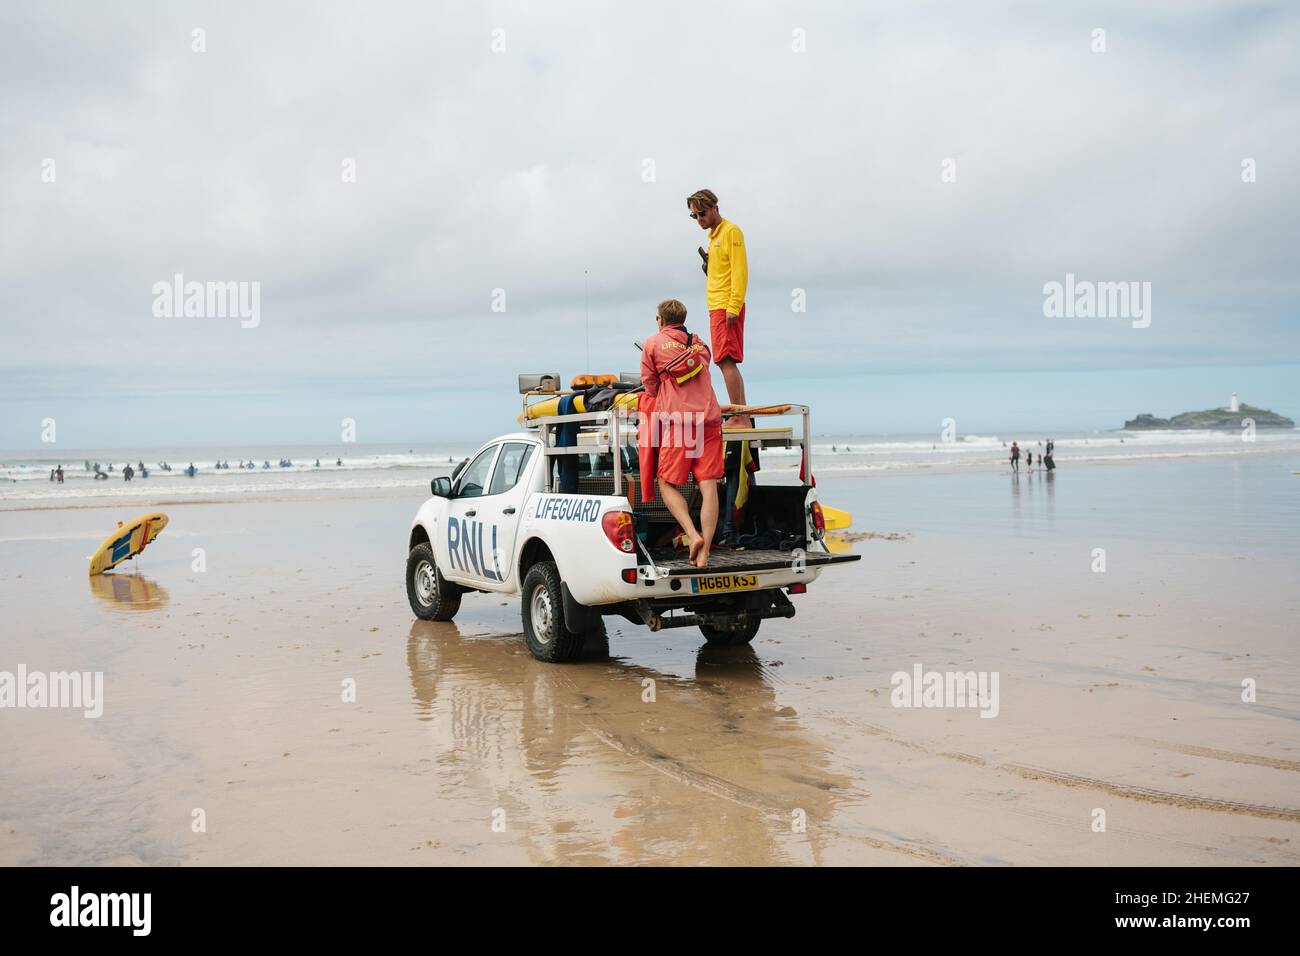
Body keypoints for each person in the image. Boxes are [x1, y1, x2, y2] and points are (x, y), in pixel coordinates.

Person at [640, 298, 724, 568]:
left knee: (666, 483)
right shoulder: (700, 344)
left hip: (680, 423)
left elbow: (649, 386)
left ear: (661, 320)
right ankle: (705, 554)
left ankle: (692, 534)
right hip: (709, 420)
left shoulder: (653, 343)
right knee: (708, 485)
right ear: (683, 319)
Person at [687, 189, 749, 428]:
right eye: (694, 216)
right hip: (717, 305)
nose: (699, 219)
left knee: (726, 360)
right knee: (725, 360)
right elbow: (722, 270)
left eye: (701, 213)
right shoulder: (713, 237)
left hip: (726, 305)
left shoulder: (731, 231)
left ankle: (739, 416)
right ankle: (741, 414)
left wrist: (733, 306)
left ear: (714, 208)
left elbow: (740, 271)